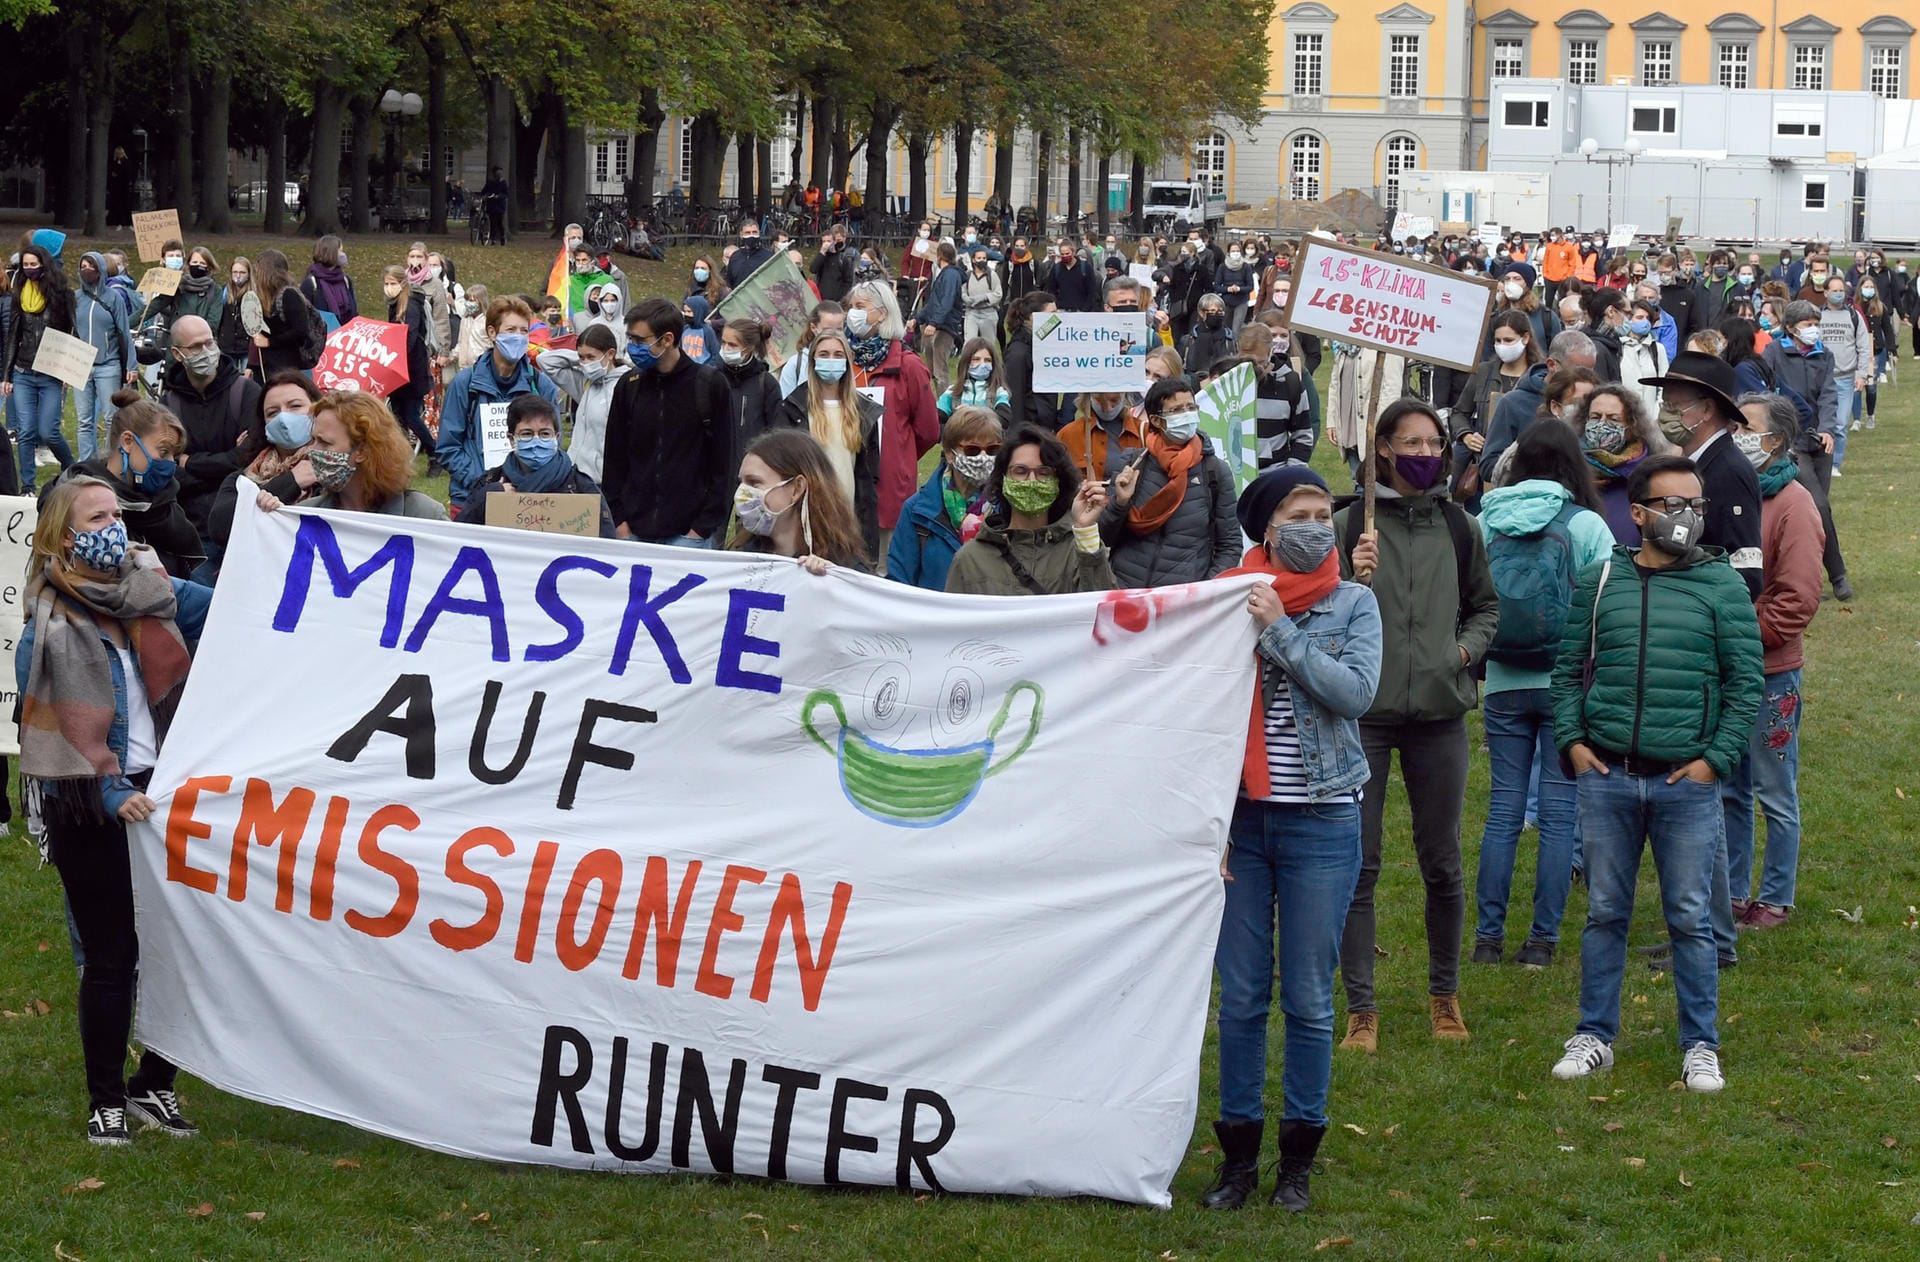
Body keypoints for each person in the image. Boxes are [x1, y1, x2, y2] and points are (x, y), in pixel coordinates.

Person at [1548, 455, 1763, 1093]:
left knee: (1691, 917)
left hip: (1685, 783)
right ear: (1638, 513)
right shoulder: (1600, 579)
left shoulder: (1721, 584)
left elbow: (1746, 682)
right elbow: (1566, 671)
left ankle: (1701, 1044)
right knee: (1606, 912)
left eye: (1694, 505)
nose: (1686, 517)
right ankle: (1595, 1035)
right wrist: (1574, 744)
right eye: (1672, 505)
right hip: (1606, 775)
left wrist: (1713, 762)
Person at [1202, 464, 1381, 1214]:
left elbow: (1352, 693)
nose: (1316, 524)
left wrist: (1278, 629)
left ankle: (1297, 1160)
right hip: (1240, 822)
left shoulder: (1354, 603)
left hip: (1321, 818)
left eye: (1323, 512)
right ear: (1266, 528)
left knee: (1308, 998)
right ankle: (1237, 1160)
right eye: (1299, 513)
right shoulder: (1221, 600)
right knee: (1240, 996)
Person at [18, 476, 211, 1146]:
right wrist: (108, 788)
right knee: (112, 954)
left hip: (165, 794)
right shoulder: (44, 625)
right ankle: (106, 1098)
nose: (115, 528)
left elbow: (237, 607)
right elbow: (48, 732)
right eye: (97, 517)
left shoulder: (151, 590)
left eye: (116, 515)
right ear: (64, 536)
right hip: (85, 800)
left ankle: (154, 1086)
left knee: (187, 947)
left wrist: (273, 517)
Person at [1334, 399, 1500, 1053]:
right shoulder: (1349, 524)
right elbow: (1317, 610)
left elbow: (1487, 608)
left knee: (1442, 864)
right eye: (1413, 443)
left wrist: (1461, 653)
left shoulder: (1461, 528)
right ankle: (1362, 1009)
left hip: (1439, 717)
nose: (1429, 453)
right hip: (1364, 717)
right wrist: (1352, 576)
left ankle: (1443, 996)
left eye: (1436, 442)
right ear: (1380, 449)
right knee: (1360, 866)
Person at [1470, 422, 1616, 969]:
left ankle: (1487, 938)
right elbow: (1604, 608)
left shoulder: (1486, 520)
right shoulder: (1586, 524)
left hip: (1505, 678)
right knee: (1559, 812)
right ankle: (1542, 941)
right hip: (1566, 683)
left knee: (1503, 808)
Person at [1722, 393, 1824, 932]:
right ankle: (1735, 892)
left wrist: (1737, 634)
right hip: (1728, 672)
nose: (1739, 435)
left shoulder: (1794, 503)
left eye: (1749, 428)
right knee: (1731, 787)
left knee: (1774, 789)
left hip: (1770, 672)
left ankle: (1776, 896)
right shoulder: (1733, 492)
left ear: (1776, 441)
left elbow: (1798, 599)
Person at [600, 297, 732, 546]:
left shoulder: (709, 385)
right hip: (633, 532)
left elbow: (724, 462)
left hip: (689, 536)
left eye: (640, 341)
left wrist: (701, 529)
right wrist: (620, 522)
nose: (632, 347)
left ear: (667, 339)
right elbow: (614, 460)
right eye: (630, 339)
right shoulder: (629, 386)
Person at [1635, 351, 1765, 602]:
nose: (1665, 414)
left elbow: (1745, 569)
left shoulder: (1729, 471)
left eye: (1674, 406)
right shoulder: (1694, 463)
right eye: (1664, 405)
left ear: (1707, 409)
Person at [943, 422, 1114, 595]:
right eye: (1020, 471)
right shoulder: (970, 560)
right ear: (1002, 479)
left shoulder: (1077, 551)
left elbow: (1105, 611)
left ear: (1058, 482)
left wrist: (1086, 532)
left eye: (1043, 472)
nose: (1031, 480)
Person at [42, 391, 200, 577]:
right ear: (127, 441)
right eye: (163, 451)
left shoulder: (166, 502)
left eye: (174, 454)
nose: (171, 462)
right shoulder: (73, 496)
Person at [1100, 375, 1238, 587]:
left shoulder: (1214, 472)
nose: (1187, 415)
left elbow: (1230, 545)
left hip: (1182, 601)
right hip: (1125, 590)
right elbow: (1105, 537)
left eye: (1191, 408)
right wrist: (1119, 504)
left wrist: (1204, 589)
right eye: (1176, 411)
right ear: (1156, 420)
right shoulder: (1133, 463)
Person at [842, 280, 941, 562]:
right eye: (850, 307)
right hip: (845, 480)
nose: (852, 313)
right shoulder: (844, 361)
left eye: (860, 307)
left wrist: (899, 455)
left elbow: (928, 430)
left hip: (888, 486)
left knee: (884, 567)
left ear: (882, 313)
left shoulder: (908, 366)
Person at [437, 296, 560, 513]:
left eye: (524, 331)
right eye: (511, 330)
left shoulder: (542, 386)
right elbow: (449, 447)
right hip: (471, 497)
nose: (519, 337)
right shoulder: (465, 384)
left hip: (527, 499)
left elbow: (554, 445)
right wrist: (485, 484)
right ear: (492, 333)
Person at [1762, 300, 1850, 601]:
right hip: (1790, 443)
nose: (1813, 330)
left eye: (1816, 323)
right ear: (1790, 328)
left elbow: (1829, 394)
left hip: (1819, 442)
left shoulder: (1824, 354)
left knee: (1813, 514)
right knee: (1818, 507)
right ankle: (1838, 575)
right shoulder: (1773, 353)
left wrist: (1828, 428)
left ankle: (1806, 578)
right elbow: (1767, 395)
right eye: (1807, 324)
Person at [257, 391, 447, 520]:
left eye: (325, 443)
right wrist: (269, 517)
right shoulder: (307, 517)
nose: (312, 451)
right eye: (313, 440)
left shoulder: (425, 515)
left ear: (362, 451)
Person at [778, 327, 882, 559]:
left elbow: (869, 478)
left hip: (847, 522)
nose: (831, 360)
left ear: (847, 360)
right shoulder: (793, 408)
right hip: (804, 521)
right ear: (813, 360)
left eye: (838, 355)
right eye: (824, 354)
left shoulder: (863, 412)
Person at [156, 314, 260, 534]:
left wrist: (190, 462)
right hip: (189, 525)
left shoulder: (246, 393)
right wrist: (225, 466)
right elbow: (167, 469)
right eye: (195, 347)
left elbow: (248, 459)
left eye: (209, 343)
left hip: (240, 521)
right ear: (177, 354)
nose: (206, 351)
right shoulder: (168, 405)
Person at [459, 394, 615, 536]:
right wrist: (489, 496)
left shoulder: (581, 487)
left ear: (556, 437)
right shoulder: (492, 481)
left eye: (545, 434)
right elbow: (459, 533)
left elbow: (607, 544)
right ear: (512, 439)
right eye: (527, 434)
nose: (536, 441)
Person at [887, 406, 1002, 590]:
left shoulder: (1008, 508)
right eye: (972, 450)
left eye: (992, 450)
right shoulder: (916, 511)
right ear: (949, 453)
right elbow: (899, 581)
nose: (983, 458)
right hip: (934, 616)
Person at [207, 372, 323, 552]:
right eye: (273, 412)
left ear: (318, 410)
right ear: (264, 423)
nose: (283, 418)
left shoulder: (335, 470)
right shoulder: (244, 476)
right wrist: (289, 483)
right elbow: (219, 528)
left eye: (295, 406)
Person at [728, 429, 871, 573]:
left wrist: (835, 581)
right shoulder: (742, 556)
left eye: (754, 482)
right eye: (741, 483)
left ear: (797, 488)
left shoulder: (845, 565)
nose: (742, 494)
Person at [1478, 329, 1598, 486]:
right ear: (1551, 365)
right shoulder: (1513, 403)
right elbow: (1489, 466)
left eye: (1589, 372)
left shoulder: (1597, 403)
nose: (1584, 380)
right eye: (1577, 371)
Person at [3, 241, 76, 483]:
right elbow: (13, 335)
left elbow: (72, 332)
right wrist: (7, 375)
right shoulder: (19, 295)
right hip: (23, 371)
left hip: (50, 372)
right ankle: (28, 484)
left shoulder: (61, 295)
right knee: (26, 432)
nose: (29, 269)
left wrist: (69, 368)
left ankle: (70, 466)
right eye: (25, 265)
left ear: (44, 265)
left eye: (33, 264)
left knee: (49, 431)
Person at [1450, 311, 1542, 501]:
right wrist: (1466, 435)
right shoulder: (1484, 372)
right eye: (1497, 340)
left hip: (1526, 473)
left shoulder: (1539, 378)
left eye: (1508, 340)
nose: (1502, 346)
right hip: (1483, 471)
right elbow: (1459, 412)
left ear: (1525, 338)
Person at [1573, 385, 1664, 546]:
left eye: (1613, 419)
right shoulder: (1570, 467)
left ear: (1631, 427)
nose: (1601, 424)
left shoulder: (1647, 475)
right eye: (1595, 417)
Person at [71, 252, 136, 463]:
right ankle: (86, 462)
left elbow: (124, 332)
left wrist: (131, 365)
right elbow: (69, 330)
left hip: (108, 365)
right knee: (84, 420)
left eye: (91, 265)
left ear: (100, 269)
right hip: (80, 364)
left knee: (111, 417)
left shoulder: (113, 297)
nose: (86, 269)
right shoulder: (75, 298)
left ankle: (110, 460)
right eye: (83, 266)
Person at [1238, 322, 1312, 468]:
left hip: (1274, 474)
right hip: (1234, 478)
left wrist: (1290, 473)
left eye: (1259, 362)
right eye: (1246, 361)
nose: (1253, 368)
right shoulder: (1226, 382)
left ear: (1270, 353)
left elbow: (1303, 435)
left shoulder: (1290, 382)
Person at [1817, 276, 1871, 474]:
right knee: (1820, 422)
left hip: (1845, 378)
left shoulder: (1853, 316)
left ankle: (1835, 464)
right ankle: (1819, 460)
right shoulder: (1817, 316)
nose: (1839, 294)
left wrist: (1862, 374)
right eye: (1835, 290)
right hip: (1821, 378)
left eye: (1842, 290)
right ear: (1825, 293)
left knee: (1840, 424)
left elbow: (1864, 346)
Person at [382, 265, 437, 456]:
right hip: (398, 370)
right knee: (398, 417)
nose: (388, 287)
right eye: (386, 283)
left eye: (392, 283)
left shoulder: (411, 305)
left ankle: (434, 452)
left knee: (412, 416)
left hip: (412, 370)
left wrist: (395, 355)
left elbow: (410, 338)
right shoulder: (394, 305)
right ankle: (401, 455)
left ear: (403, 284)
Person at [248, 249, 315, 376]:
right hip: (265, 365)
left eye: (259, 267)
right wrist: (250, 365)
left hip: (284, 368)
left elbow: (301, 331)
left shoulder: (289, 295)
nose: (256, 272)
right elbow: (257, 334)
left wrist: (270, 342)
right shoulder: (264, 297)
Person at [1001, 290, 1059, 432]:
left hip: (1042, 424)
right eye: (1052, 314)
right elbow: (1015, 398)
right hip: (1029, 428)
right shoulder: (1018, 352)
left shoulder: (1041, 344)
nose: (1057, 319)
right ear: (1033, 317)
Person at [912, 242, 964, 397]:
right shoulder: (943, 274)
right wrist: (918, 318)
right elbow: (933, 302)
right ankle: (937, 400)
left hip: (945, 327)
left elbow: (946, 301)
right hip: (936, 324)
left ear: (939, 256)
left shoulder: (950, 275)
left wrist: (934, 323)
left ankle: (945, 403)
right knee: (932, 368)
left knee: (940, 369)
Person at [936, 337, 1012, 422]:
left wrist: (971, 413)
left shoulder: (999, 392)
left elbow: (1004, 419)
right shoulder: (952, 392)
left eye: (988, 360)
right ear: (966, 362)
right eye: (976, 359)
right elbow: (937, 418)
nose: (982, 364)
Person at [1857, 275, 1895, 432]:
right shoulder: (1855, 307)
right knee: (1857, 385)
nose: (1869, 289)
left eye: (1871, 287)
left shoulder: (1880, 307)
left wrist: (1892, 349)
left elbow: (1888, 329)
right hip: (1858, 350)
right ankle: (1856, 419)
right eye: (1866, 286)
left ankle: (1870, 416)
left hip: (1876, 349)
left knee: (1871, 387)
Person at [299, 235, 359, 328]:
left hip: (345, 335)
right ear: (331, 253)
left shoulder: (346, 280)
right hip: (322, 336)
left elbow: (353, 312)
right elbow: (304, 316)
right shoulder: (311, 283)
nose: (343, 254)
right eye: (340, 251)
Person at [216, 254, 254, 374]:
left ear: (248, 274)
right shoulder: (224, 292)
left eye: (242, 272)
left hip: (247, 346)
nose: (238, 276)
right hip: (227, 344)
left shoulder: (254, 294)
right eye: (235, 272)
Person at [960, 247, 1004, 347]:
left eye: (984, 258)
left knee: (989, 344)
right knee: (969, 343)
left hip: (989, 313)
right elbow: (962, 292)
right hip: (972, 312)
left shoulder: (992, 275)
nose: (982, 260)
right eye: (979, 258)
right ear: (973, 260)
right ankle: (966, 362)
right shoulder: (967, 275)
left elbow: (998, 293)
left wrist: (985, 297)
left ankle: (990, 362)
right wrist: (966, 299)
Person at [1183, 294, 1234, 375]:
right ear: (1201, 313)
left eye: (1220, 311)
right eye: (1212, 311)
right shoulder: (1188, 341)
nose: (1217, 314)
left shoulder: (1230, 340)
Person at [1212, 242, 1257, 334]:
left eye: (1237, 251)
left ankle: (1235, 346)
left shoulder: (1246, 267)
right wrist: (1228, 289)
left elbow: (1250, 286)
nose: (1235, 253)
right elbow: (1216, 286)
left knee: (1236, 330)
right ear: (1228, 252)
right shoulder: (1222, 267)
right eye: (1233, 251)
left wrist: (1239, 289)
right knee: (1225, 329)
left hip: (1241, 301)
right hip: (1226, 302)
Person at [1048, 240, 1101, 313]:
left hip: (1081, 310)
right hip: (1062, 310)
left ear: (1073, 252)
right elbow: (1051, 290)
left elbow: (1092, 291)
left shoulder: (1085, 268)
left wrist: (1085, 309)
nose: (1065, 256)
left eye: (1067, 253)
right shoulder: (1056, 269)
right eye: (1062, 254)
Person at [725, 222, 774, 288]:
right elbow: (729, 282)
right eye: (747, 233)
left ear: (759, 233)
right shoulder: (735, 257)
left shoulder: (769, 256)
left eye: (754, 232)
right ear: (741, 235)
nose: (751, 235)